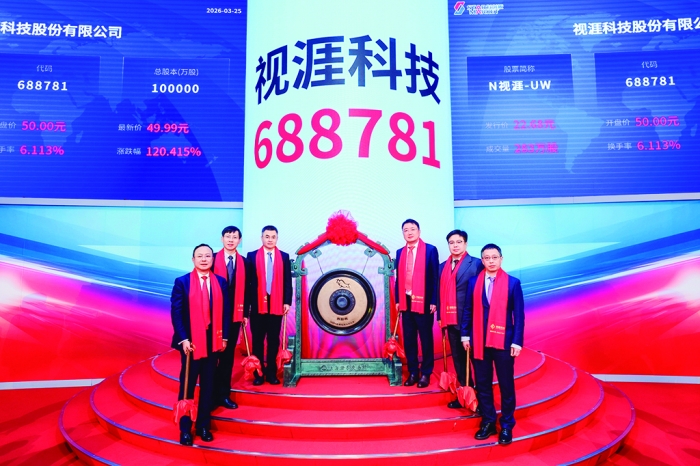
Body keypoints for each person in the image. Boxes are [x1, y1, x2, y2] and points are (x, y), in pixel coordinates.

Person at [461, 243, 524, 445]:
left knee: (506, 384)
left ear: (501, 259)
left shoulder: (513, 283)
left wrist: (517, 342)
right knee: (483, 384)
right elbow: (468, 310)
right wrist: (465, 335)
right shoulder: (474, 282)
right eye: (487, 258)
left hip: (503, 341)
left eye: (494, 257)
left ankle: (506, 425)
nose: (491, 261)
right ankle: (488, 421)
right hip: (479, 340)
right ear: (482, 260)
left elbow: (519, 315)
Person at [170, 244, 231, 446]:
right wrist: (184, 339)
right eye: (200, 256)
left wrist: (224, 337)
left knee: (208, 385)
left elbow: (226, 312)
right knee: (187, 386)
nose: (204, 259)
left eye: (207, 256)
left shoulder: (220, 282)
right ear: (193, 259)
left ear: (212, 259)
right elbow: (176, 313)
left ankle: (204, 426)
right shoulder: (182, 282)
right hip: (191, 343)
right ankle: (185, 429)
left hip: (213, 341)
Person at [437, 229, 483, 408]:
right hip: (451, 320)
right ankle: (465, 394)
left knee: (477, 360)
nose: (455, 245)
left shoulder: (476, 264)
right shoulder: (442, 266)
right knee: (458, 360)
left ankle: (482, 398)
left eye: (459, 242)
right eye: (451, 242)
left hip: (471, 321)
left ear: (465, 244)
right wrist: (440, 316)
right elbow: (439, 293)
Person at [394, 219, 439, 388]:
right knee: (409, 339)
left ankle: (426, 373)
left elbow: (435, 277)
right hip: (405, 301)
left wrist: (434, 300)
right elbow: (398, 278)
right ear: (403, 233)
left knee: (426, 338)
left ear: (419, 231)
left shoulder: (430, 250)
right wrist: (398, 300)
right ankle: (413, 372)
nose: (409, 232)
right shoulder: (400, 252)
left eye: (412, 229)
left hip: (424, 301)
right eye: (406, 230)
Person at [246, 225, 293, 385]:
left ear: (277, 238)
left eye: (273, 237)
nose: (270, 239)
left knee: (273, 340)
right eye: (267, 236)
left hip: (276, 305)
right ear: (262, 238)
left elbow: (287, 281)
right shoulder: (252, 256)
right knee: (257, 340)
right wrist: (248, 304)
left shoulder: (284, 257)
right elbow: (248, 283)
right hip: (257, 305)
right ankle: (258, 373)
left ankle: (271, 372)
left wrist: (287, 301)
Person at [211, 226, 250, 409]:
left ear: (239, 240)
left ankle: (223, 395)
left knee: (227, 358)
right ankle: (210, 396)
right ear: (222, 239)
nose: (231, 240)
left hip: (234, 317)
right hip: (212, 316)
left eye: (234, 237)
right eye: (228, 236)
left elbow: (248, 289)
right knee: (212, 358)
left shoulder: (245, 263)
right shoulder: (211, 259)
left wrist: (245, 313)